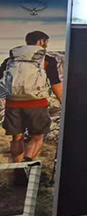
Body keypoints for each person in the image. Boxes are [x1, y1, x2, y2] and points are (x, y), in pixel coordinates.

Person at [0, 31, 62, 183]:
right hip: (36, 104)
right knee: (38, 135)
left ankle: (18, 170)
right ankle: (26, 163)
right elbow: (55, 83)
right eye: (46, 41)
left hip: (12, 103)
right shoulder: (46, 60)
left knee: (17, 137)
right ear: (41, 41)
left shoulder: (10, 59)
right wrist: (64, 102)